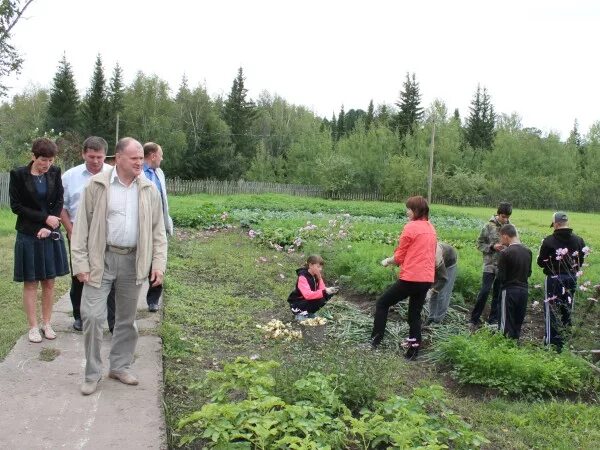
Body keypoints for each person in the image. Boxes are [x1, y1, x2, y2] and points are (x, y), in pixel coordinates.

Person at [72, 137, 167, 395]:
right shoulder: (97, 185)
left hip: (133, 261)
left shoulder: (148, 189)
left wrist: (158, 263)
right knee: (91, 316)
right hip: (100, 260)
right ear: (119, 158)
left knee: (126, 319)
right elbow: (81, 228)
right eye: (135, 158)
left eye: (141, 158)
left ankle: (120, 366)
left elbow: (158, 232)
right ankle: (92, 374)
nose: (140, 162)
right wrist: (80, 262)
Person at [9, 138, 69, 343]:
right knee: (31, 282)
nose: (47, 164)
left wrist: (48, 226)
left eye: (50, 160)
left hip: (50, 233)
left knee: (49, 282)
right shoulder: (18, 175)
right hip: (28, 233)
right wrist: (43, 220)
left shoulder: (55, 172)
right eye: (43, 160)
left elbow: (59, 199)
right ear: (33, 156)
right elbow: (16, 207)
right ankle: (33, 327)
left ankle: (47, 323)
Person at [372, 196, 437, 359]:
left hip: (411, 278)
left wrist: (388, 261)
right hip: (427, 279)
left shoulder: (410, 227)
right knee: (414, 315)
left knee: (382, 303)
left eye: (408, 209)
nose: (407, 211)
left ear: (415, 210)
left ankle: (374, 342)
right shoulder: (431, 228)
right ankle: (413, 353)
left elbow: (400, 256)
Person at [60, 136, 114, 332]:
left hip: (106, 233)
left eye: (100, 157)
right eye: (91, 156)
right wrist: (71, 231)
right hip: (77, 231)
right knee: (80, 275)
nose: (96, 161)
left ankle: (107, 317)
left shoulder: (114, 174)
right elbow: (62, 207)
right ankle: (79, 316)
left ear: (105, 156)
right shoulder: (69, 177)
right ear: (83, 154)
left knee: (107, 274)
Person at [537, 212, 586, 351]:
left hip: (554, 279)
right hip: (571, 278)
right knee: (567, 309)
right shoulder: (578, 240)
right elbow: (580, 261)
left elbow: (541, 262)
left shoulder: (548, 241)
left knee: (551, 309)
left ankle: (551, 344)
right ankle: (565, 342)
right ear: (567, 223)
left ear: (556, 224)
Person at [469, 202, 512, 329]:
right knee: (484, 291)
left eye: (507, 217)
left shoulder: (510, 228)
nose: (505, 219)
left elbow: (515, 243)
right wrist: (492, 247)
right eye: (503, 216)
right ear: (498, 214)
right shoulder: (488, 226)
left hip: (503, 265)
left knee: (498, 293)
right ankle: (473, 319)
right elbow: (479, 243)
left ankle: (493, 319)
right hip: (489, 264)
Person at [142, 142, 173, 312]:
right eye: (161, 155)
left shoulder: (159, 173)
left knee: (158, 260)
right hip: (143, 224)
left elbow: (163, 199)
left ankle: (153, 299)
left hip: (158, 222)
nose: (162, 158)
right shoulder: (138, 172)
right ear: (153, 155)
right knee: (142, 259)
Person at [496, 224, 532, 339]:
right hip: (524, 290)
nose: (501, 241)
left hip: (509, 290)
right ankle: (515, 345)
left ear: (506, 236)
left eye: (501, 237)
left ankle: (504, 348)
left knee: (506, 322)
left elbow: (501, 276)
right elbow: (529, 273)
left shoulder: (505, 253)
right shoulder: (528, 252)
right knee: (518, 321)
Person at [287, 255, 339, 320]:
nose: (320, 269)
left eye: (321, 267)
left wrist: (320, 279)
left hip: (307, 301)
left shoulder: (315, 275)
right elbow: (308, 295)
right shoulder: (303, 277)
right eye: (318, 267)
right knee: (321, 297)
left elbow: (322, 290)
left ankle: (310, 312)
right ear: (310, 265)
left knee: (328, 295)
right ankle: (300, 314)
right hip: (298, 304)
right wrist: (325, 291)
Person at [426, 242, 458, 325]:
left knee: (442, 293)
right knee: (433, 290)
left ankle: (438, 320)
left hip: (449, 261)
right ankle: (431, 317)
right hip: (436, 262)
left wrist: (432, 290)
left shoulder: (436, 257)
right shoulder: (421, 257)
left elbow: (443, 279)